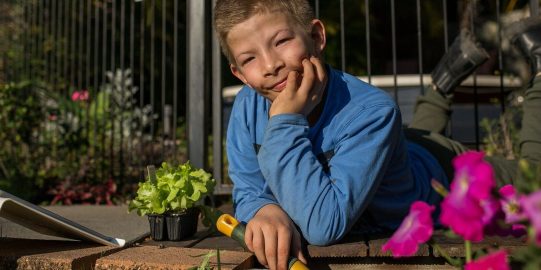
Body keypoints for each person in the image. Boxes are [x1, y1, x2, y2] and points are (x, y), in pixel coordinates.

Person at [213, 0, 540, 268]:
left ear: (316, 37)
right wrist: (264, 210)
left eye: (281, 41)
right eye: (250, 58)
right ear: (240, 74)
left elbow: (323, 226)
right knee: (407, 139)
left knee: (533, 176)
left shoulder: (373, 112)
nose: (270, 65)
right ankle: (444, 81)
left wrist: (285, 120)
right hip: (386, 154)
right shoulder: (247, 106)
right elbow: (249, 188)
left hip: (444, 174)